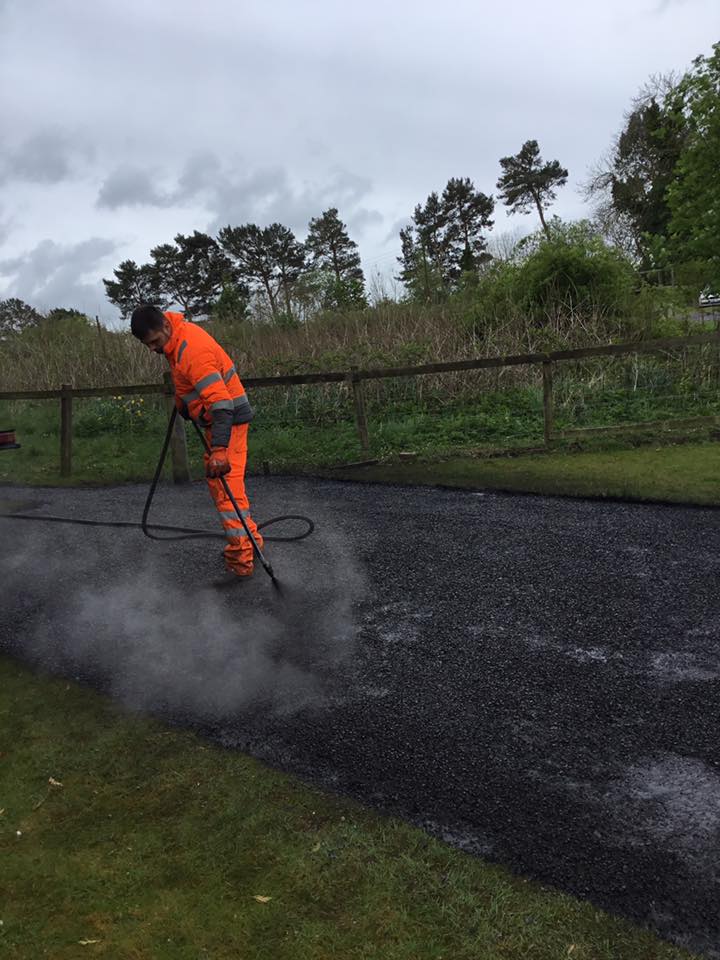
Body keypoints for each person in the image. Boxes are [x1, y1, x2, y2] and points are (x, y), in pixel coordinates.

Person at [130, 304, 263, 578]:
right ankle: (250, 545)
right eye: (148, 345)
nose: (152, 349)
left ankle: (242, 563)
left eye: (154, 342)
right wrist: (185, 403)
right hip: (218, 423)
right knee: (223, 489)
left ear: (166, 326)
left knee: (228, 494)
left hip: (228, 423)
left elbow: (222, 403)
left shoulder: (192, 349)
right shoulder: (175, 342)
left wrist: (219, 450)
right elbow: (189, 381)